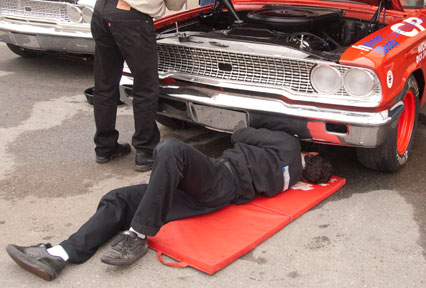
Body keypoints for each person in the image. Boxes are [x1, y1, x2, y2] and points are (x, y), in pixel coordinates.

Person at [6, 127, 333, 281]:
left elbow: (240, 135)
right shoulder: (285, 183)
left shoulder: (290, 146)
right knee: (118, 200)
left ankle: (137, 235)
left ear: (310, 154)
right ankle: (59, 255)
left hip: (218, 178)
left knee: (171, 149)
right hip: (212, 197)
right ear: (310, 179)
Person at [91, 0, 222, 171]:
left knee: (105, 84)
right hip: (131, 18)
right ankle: (146, 152)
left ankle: (104, 148)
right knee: (146, 86)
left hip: (103, 7)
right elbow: (175, 3)